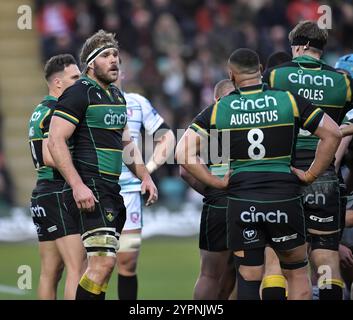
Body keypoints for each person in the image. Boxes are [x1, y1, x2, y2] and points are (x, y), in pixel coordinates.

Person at [176, 48, 341, 300]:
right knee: (296, 273)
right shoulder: (288, 99)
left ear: (231, 75)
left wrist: (216, 182)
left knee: (250, 274)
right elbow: (333, 134)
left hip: (242, 201)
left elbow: (182, 152)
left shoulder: (221, 108)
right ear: (262, 70)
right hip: (284, 197)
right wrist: (310, 175)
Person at [48, 30, 158, 300]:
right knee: (103, 264)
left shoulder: (117, 97)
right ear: (90, 63)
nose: (114, 60)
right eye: (106, 55)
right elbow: (55, 140)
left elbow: (126, 144)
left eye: (116, 55)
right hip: (89, 187)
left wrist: (145, 176)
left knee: (104, 268)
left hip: (110, 190)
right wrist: (77, 185)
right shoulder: (78, 93)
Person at [263, 20, 353, 300]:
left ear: (299, 46)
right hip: (324, 175)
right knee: (326, 259)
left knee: (276, 256)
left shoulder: (277, 75)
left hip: (284, 172)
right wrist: (340, 130)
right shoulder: (343, 82)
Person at [114, 61, 175, 300]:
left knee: (127, 262)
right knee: (97, 264)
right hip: (97, 191)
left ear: (123, 71)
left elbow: (167, 137)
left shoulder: (137, 103)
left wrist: (146, 171)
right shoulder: (85, 102)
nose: (113, 67)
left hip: (129, 194)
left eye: (117, 63)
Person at [28, 54, 86, 299]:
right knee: (78, 267)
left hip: (43, 192)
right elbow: (51, 156)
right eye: (75, 78)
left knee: (50, 272)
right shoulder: (56, 112)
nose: (80, 83)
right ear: (58, 83)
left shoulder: (39, 110)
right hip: (57, 192)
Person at [180, 79, 236, 300]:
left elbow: (184, 171)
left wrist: (214, 187)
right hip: (252, 196)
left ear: (215, 99)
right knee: (249, 271)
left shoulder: (208, 121)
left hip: (218, 202)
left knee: (209, 275)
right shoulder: (252, 117)